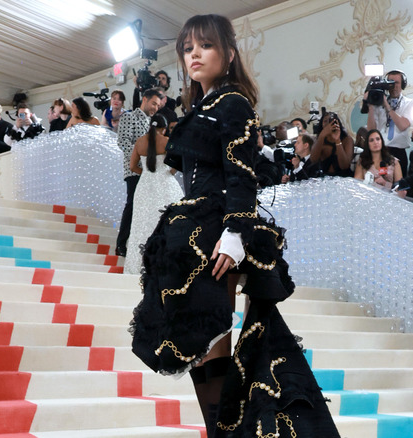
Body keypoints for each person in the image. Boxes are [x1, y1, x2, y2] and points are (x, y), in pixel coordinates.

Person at [129, 14, 340, 438]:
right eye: (187, 48)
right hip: (195, 234)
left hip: (215, 234)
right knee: (202, 347)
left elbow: (241, 173)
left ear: (228, 54)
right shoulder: (203, 105)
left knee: (212, 343)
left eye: (205, 46)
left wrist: (235, 234)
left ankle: (223, 432)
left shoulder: (233, 102)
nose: (194, 54)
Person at [123, 114, 183, 274]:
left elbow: (132, 166)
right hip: (165, 184)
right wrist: (167, 173)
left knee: (141, 224)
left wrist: (146, 174)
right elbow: (176, 164)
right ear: (163, 129)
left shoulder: (140, 142)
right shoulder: (166, 141)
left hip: (145, 186)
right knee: (167, 221)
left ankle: (137, 266)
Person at [114, 88, 162, 257]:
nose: (155, 108)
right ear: (145, 99)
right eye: (154, 103)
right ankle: (121, 243)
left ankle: (141, 245)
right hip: (134, 170)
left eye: (158, 105)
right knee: (132, 205)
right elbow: (123, 142)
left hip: (150, 171)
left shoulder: (153, 122)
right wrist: (140, 159)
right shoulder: (129, 117)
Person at [365, 69, 413, 175]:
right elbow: (371, 130)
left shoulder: (410, 103)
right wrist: (370, 106)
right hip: (381, 152)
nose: (394, 86)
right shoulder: (378, 103)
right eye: (391, 83)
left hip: (399, 152)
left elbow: (403, 125)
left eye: (397, 83)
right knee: (380, 182)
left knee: (398, 184)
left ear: (402, 84)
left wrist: (387, 106)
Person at [309, 111, 354, 177]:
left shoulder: (347, 139)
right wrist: (322, 136)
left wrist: (337, 140)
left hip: (344, 178)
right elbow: (313, 160)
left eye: (331, 121)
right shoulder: (319, 140)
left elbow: (344, 166)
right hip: (325, 178)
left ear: (337, 123)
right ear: (321, 124)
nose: (328, 124)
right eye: (325, 121)